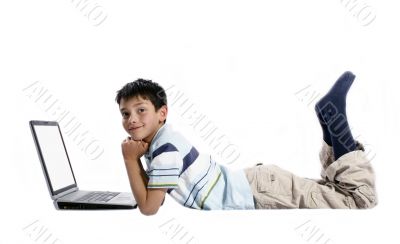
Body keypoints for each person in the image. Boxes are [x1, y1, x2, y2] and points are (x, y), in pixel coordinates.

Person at [117, 71, 377, 215]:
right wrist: (137, 157)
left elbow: (150, 207)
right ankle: (331, 120)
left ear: (162, 113)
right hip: (258, 183)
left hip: (259, 191)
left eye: (141, 110)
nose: (132, 119)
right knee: (335, 192)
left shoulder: (165, 152)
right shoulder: (163, 142)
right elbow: (156, 197)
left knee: (358, 200)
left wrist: (130, 160)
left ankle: (336, 119)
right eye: (126, 113)